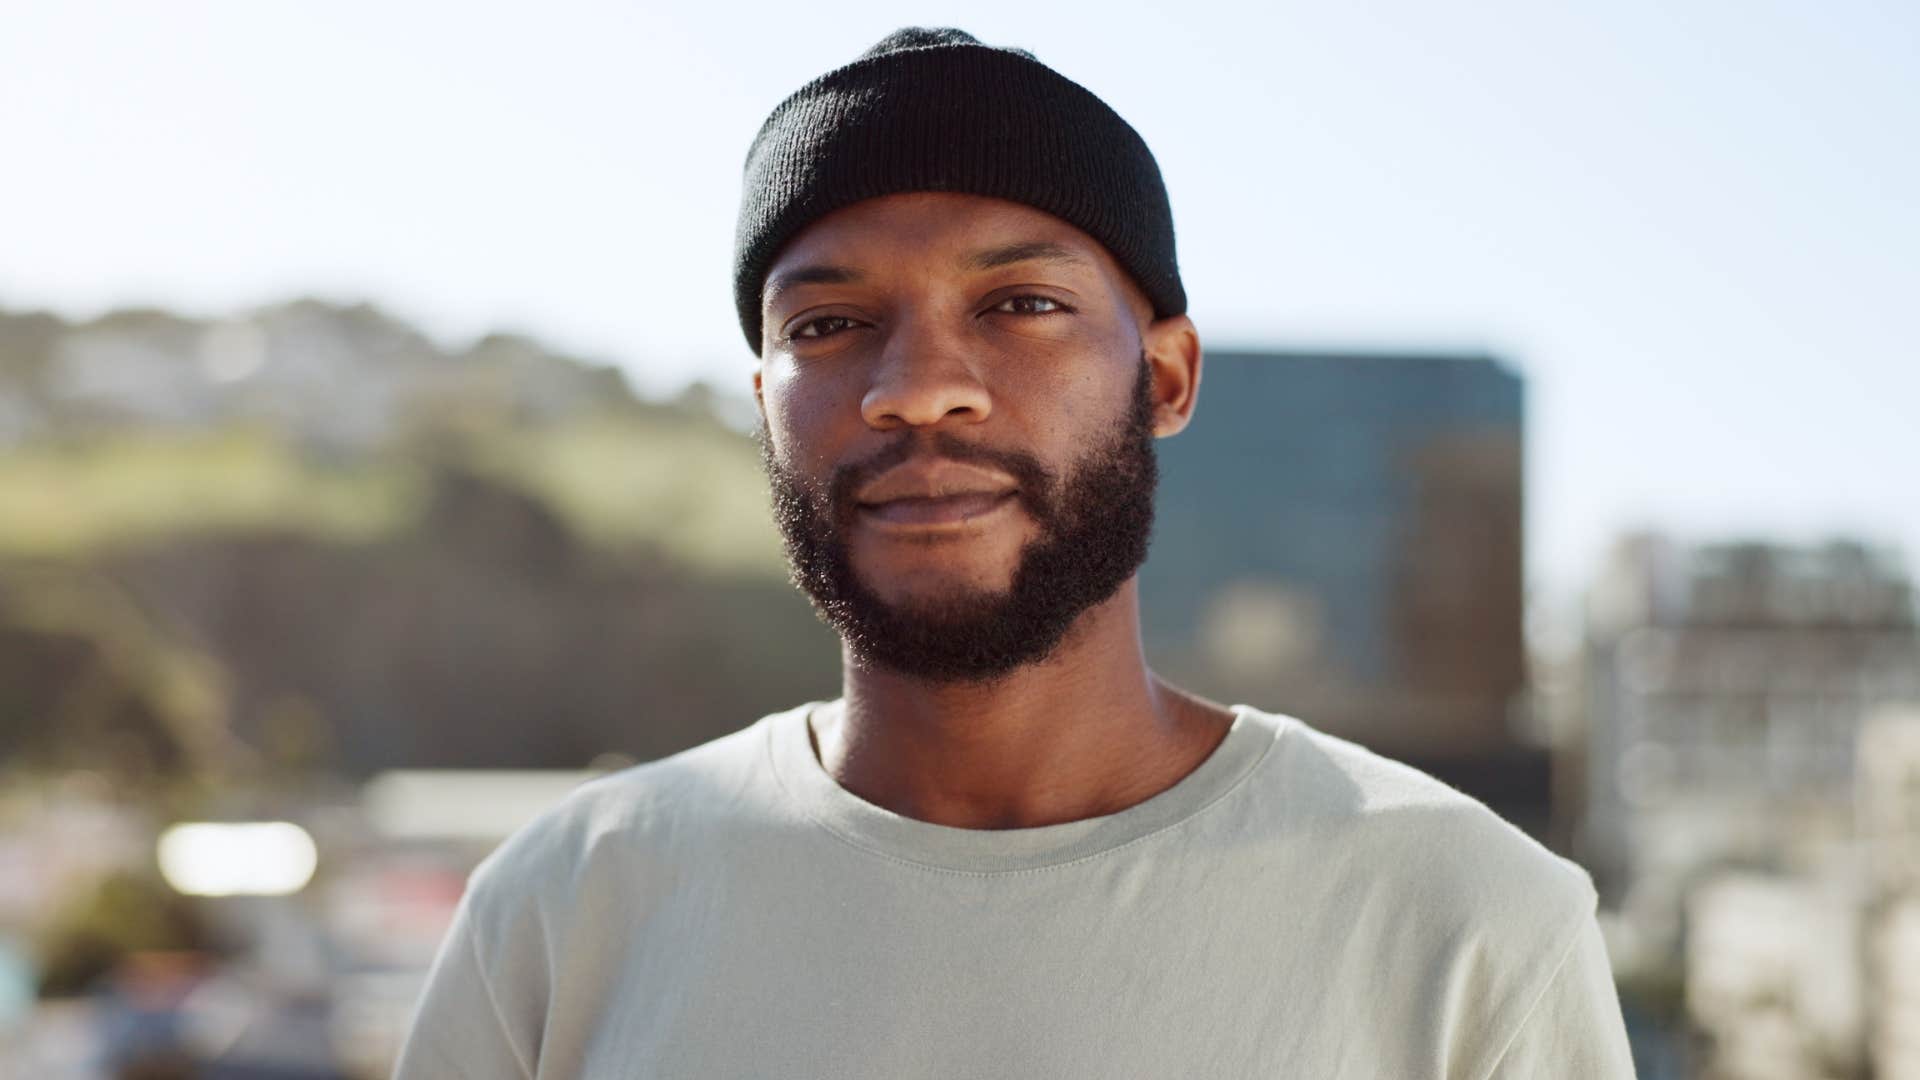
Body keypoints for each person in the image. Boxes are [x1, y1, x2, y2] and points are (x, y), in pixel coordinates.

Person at [395, 27, 1637, 1078]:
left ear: (1163, 375)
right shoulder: (559, 917)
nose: (920, 390)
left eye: (1020, 305)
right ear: (760, 401)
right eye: (830, 323)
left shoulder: (1469, 921)